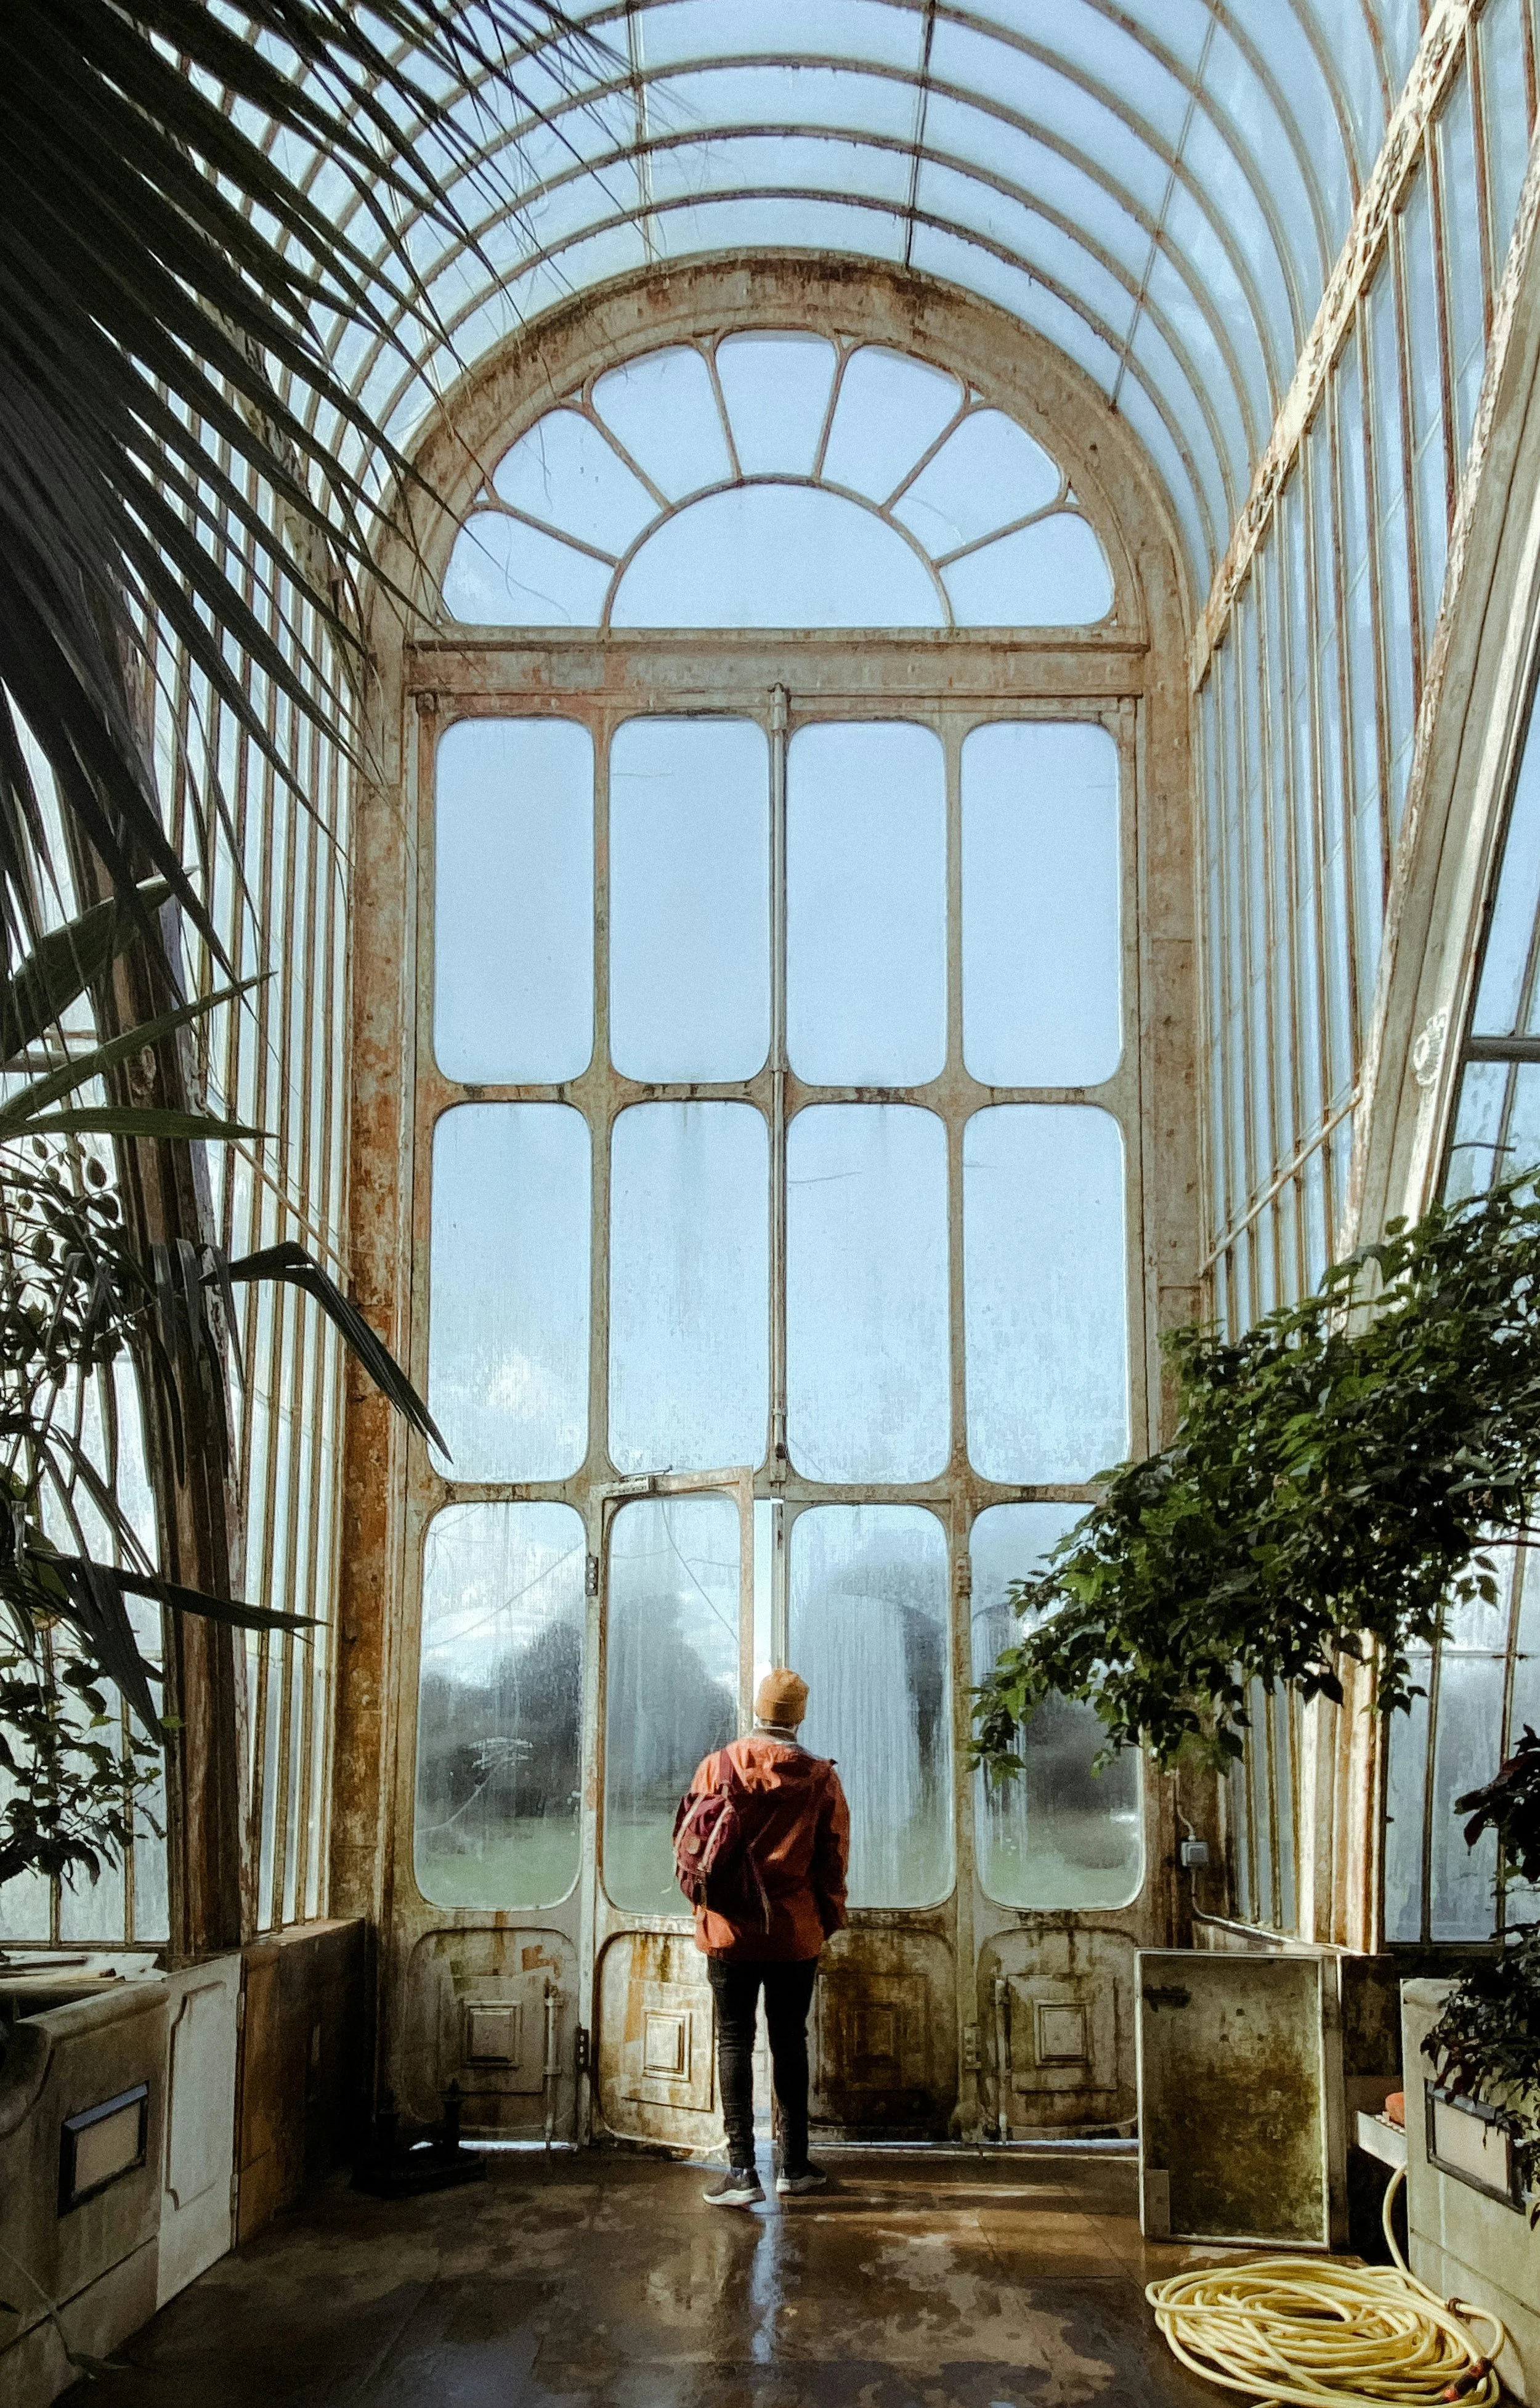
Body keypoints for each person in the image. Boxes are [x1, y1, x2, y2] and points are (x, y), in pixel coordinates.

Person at [684, 1667, 849, 2209]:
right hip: (794, 1933)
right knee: (789, 2042)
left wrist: (706, 1913)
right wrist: (826, 1922)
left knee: (734, 2040)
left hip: (729, 1930)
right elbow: (833, 1862)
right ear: (799, 1716)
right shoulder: (821, 1778)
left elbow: (693, 1847)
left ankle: (740, 2172)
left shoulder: (717, 1766)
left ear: (757, 1710)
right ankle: (794, 2167)